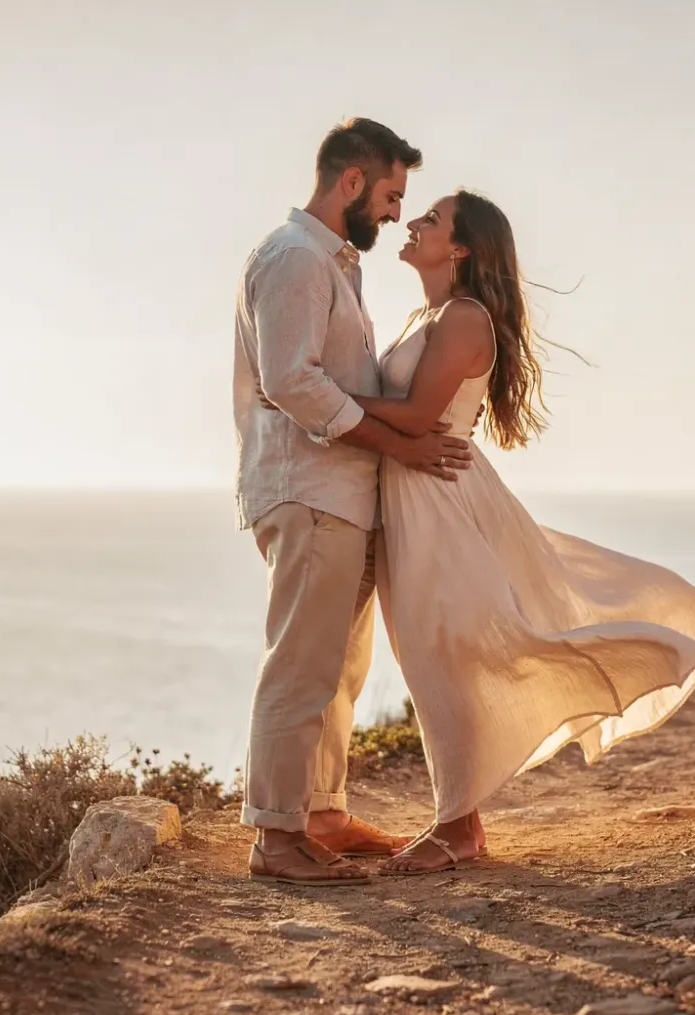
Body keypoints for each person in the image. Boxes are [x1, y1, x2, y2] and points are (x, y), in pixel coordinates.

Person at [269, 188, 695, 875]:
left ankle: (458, 828)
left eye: (431, 218)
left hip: (439, 498)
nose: (414, 222)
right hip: (416, 493)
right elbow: (408, 412)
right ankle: (461, 823)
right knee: (438, 650)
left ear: (458, 248)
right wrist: (322, 399)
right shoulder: (427, 315)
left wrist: (309, 394)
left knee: (445, 650)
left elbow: (421, 416)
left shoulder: (463, 318)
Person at [232, 118, 472, 887]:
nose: (399, 213)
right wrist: (399, 445)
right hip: (307, 489)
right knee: (302, 664)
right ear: (351, 183)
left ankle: (322, 815)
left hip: (342, 493)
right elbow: (291, 380)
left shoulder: (334, 265)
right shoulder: (294, 259)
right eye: (393, 195)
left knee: (338, 667)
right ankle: (276, 835)